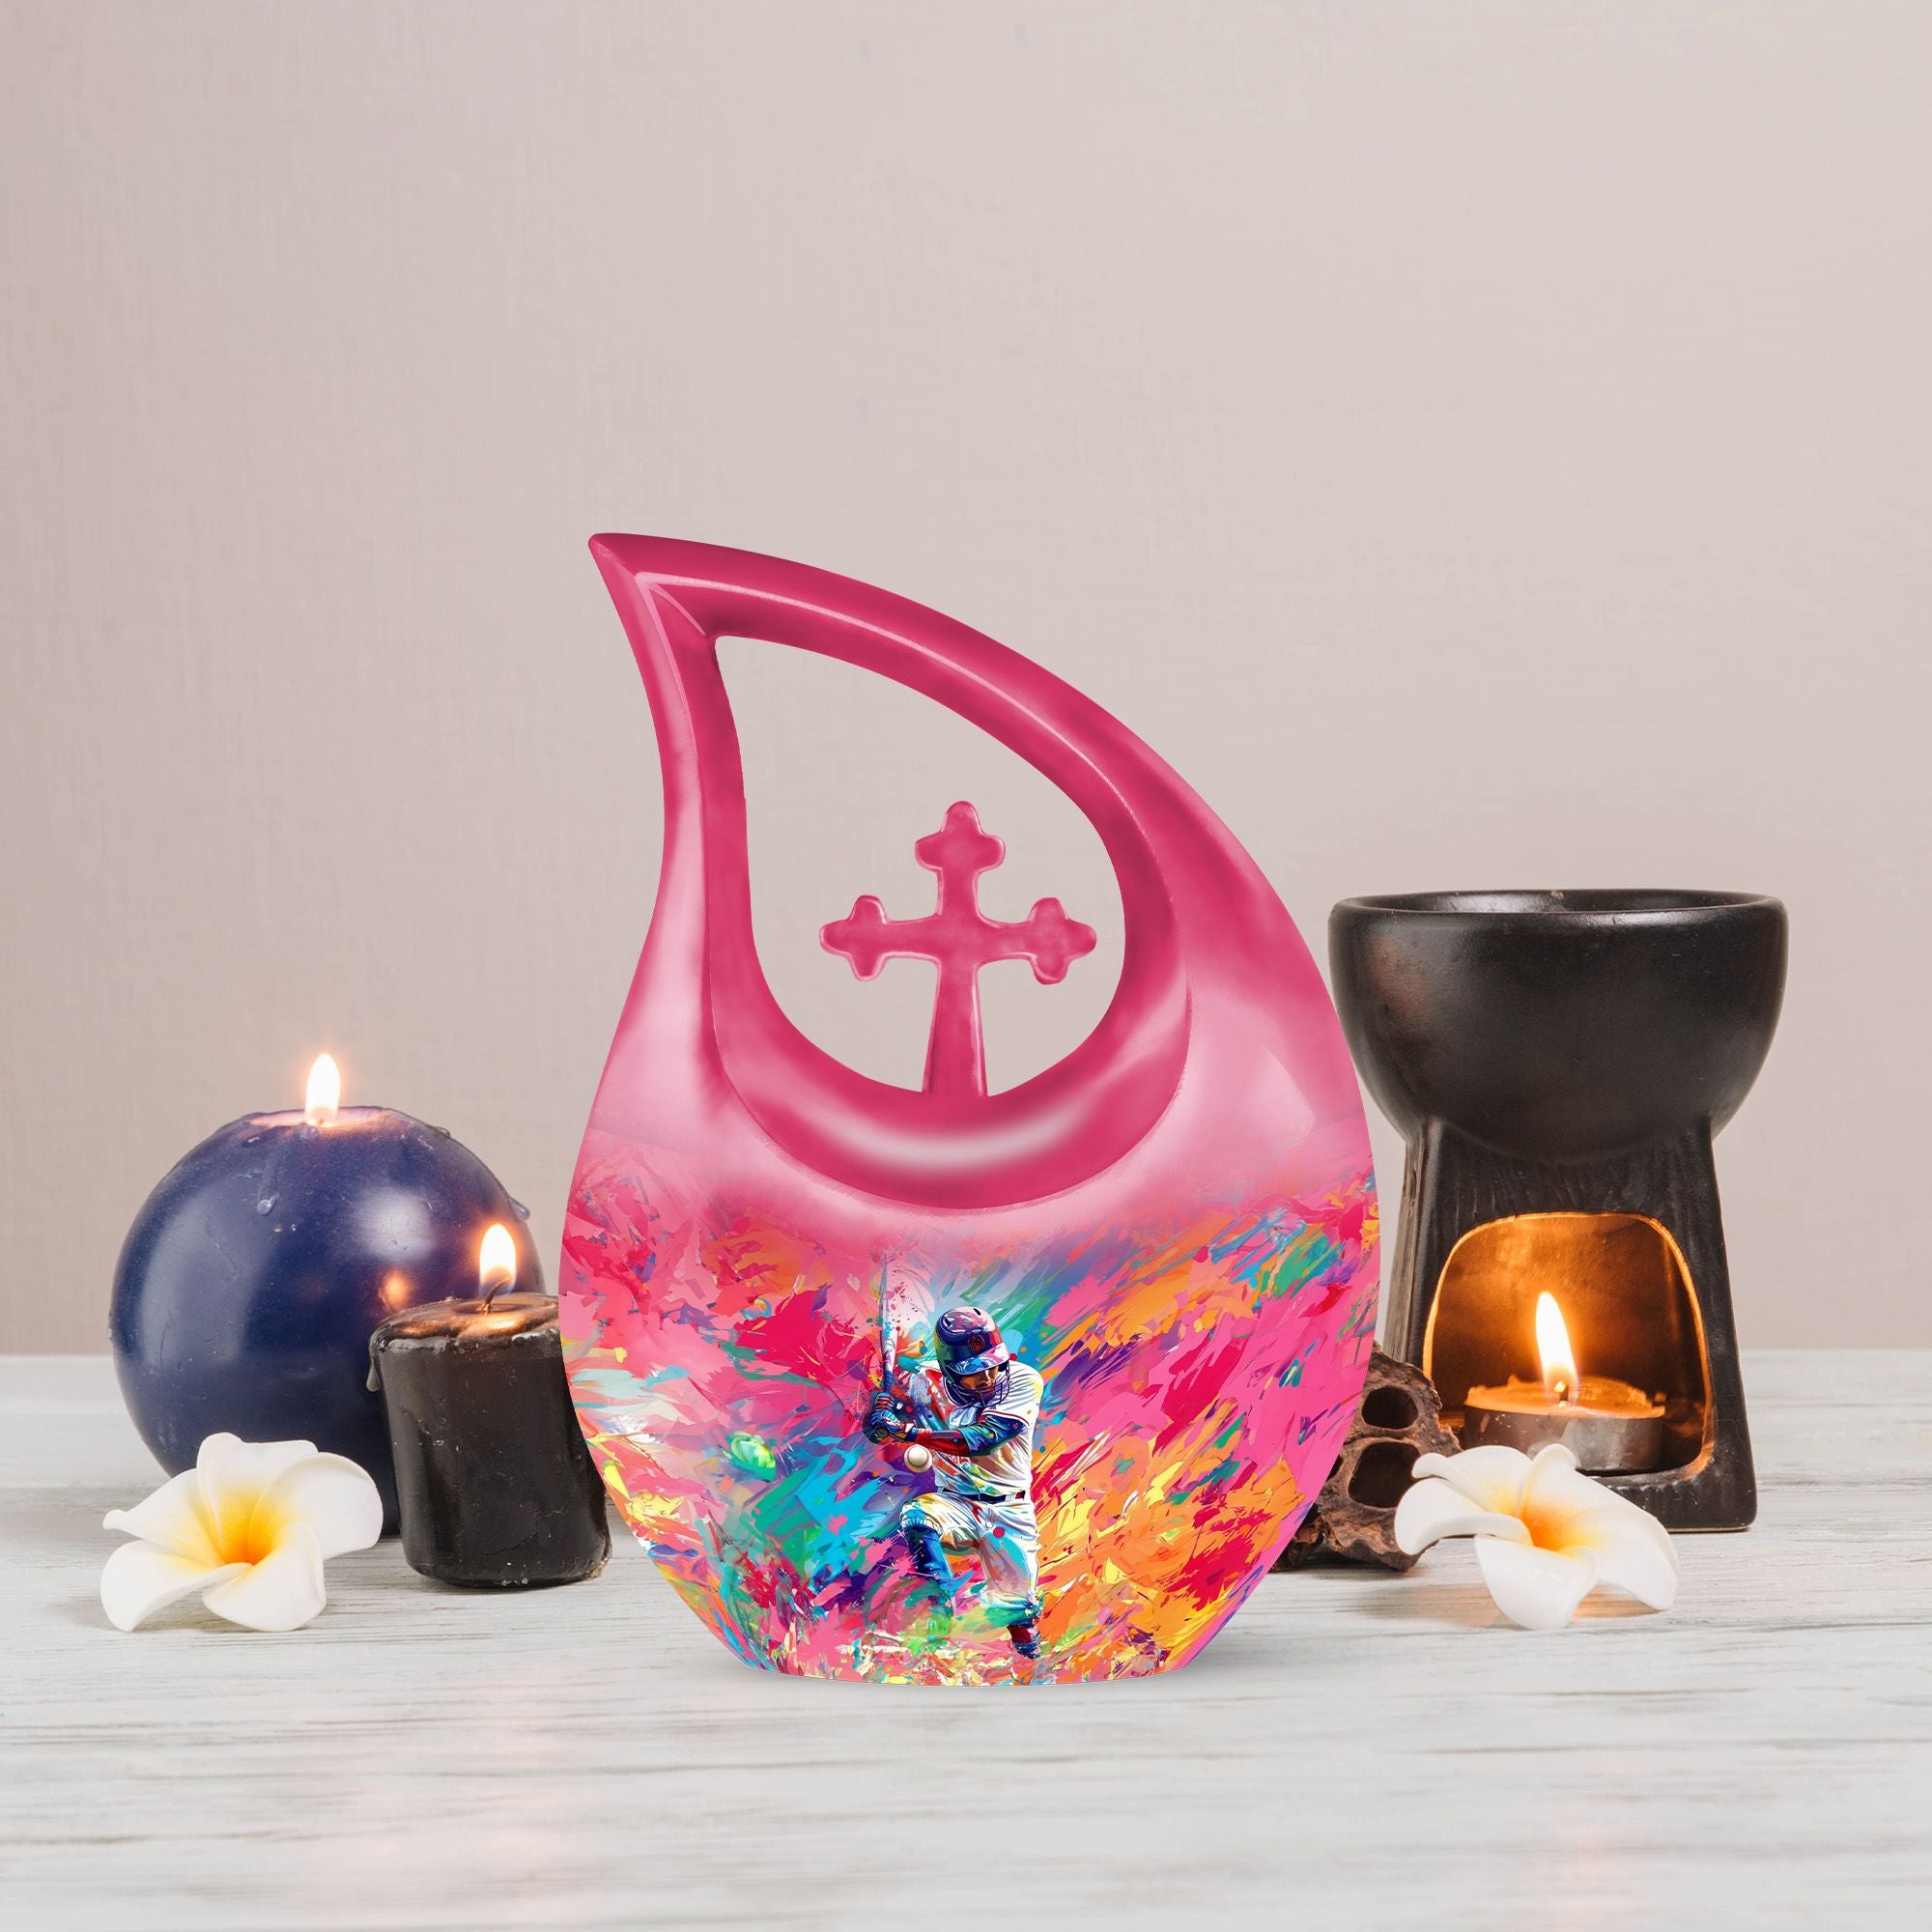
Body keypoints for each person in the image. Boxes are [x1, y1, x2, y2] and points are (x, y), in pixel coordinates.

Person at [864, 1306, 1044, 1660]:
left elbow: (983, 1439)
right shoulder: (921, 1384)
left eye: (993, 1364)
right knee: (918, 1517)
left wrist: (907, 1432)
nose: (988, 1377)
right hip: (956, 1502)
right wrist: (878, 1417)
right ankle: (938, 1615)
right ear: (949, 1369)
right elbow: (877, 1429)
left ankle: (1033, 1665)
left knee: (1020, 1617)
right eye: (973, 1371)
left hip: (1010, 1512)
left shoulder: (1024, 1380)